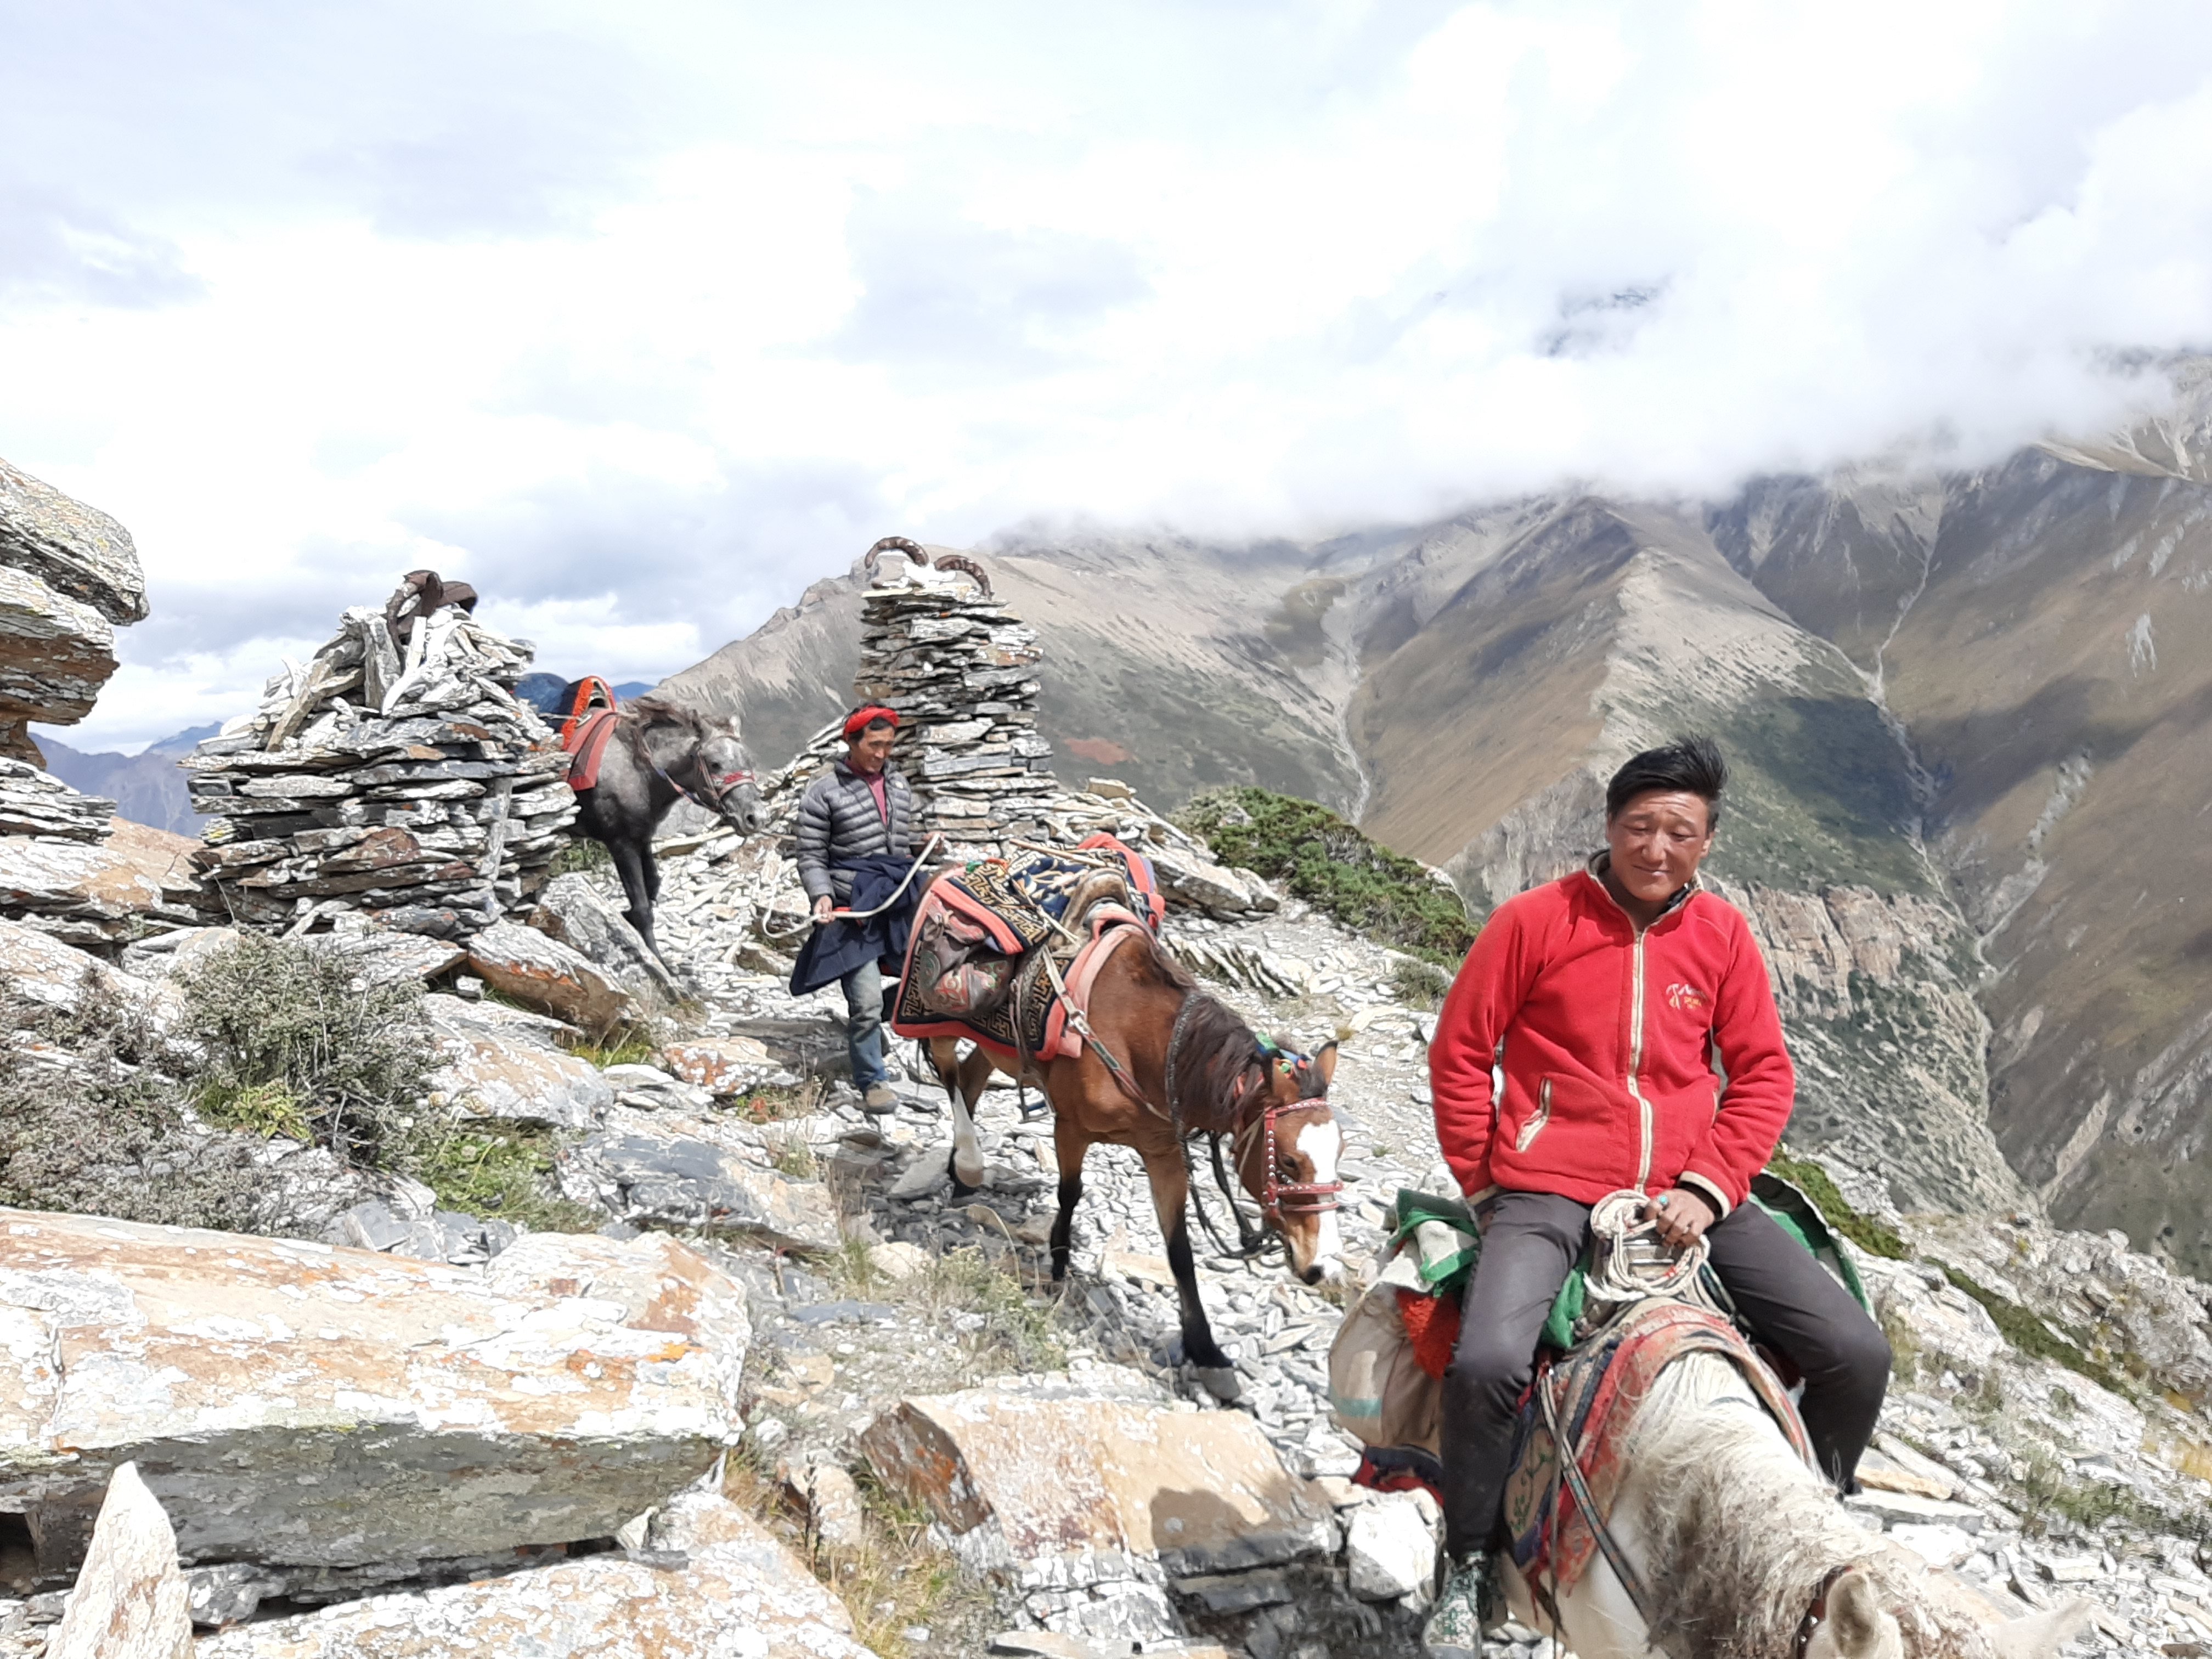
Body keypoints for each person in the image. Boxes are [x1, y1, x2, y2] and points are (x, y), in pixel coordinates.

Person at [1419, 735, 1892, 1657]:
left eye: (1678, 830)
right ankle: (1467, 1558)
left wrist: (1709, 1188)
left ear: (1704, 843)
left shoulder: (1719, 936)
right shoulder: (1532, 920)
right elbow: (1460, 1053)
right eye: (1640, 826)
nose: (1655, 847)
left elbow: (1761, 1073)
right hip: (1548, 1185)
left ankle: (1803, 1542)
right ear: (1608, 827)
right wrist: (1485, 1180)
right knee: (1485, 1363)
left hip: (1688, 1190)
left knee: (1855, 1352)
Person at [794, 705, 918, 1114]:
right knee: (865, 1001)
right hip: (852, 907)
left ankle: (883, 1034)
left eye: (888, 745)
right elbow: (811, 854)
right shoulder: (824, 791)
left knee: (929, 979)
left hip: (896, 900)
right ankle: (872, 1080)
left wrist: (922, 848)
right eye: (874, 745)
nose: (882, 754)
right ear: (852, 742)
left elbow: (899, 844)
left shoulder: (899, 785)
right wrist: (822, 896)